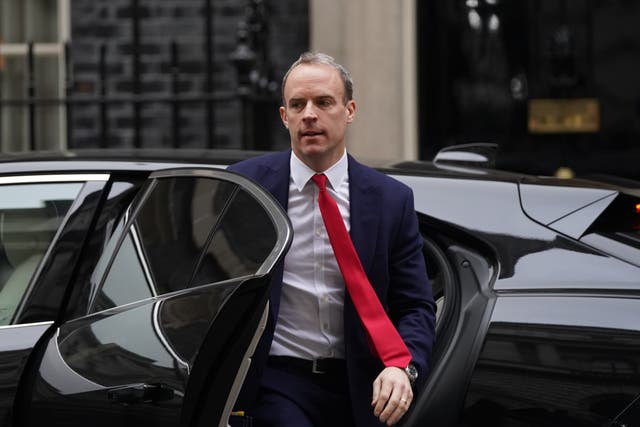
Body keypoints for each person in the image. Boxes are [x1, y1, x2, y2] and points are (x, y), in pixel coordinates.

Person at [228, 52, 436, 427]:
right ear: (284, 116)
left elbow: (415, 306)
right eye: (298, 104)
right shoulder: (246, 187)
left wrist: (404, 368)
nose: (310, 114)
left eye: (323, 102)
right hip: (276, 381)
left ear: (349, 110)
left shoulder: (391, 200)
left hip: (365, 383)